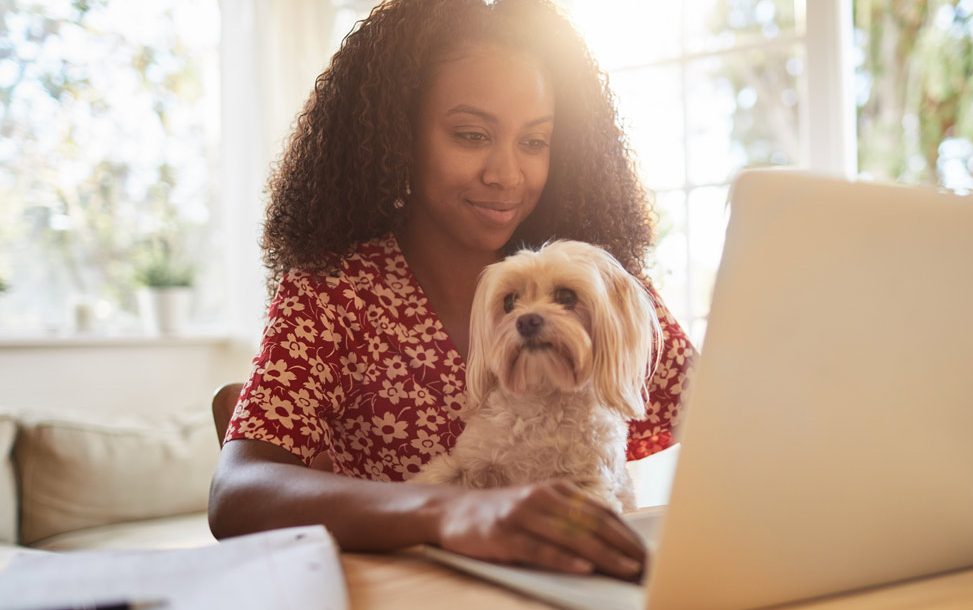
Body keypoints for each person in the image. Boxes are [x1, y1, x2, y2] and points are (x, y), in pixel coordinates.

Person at [208, 0, 696, 581]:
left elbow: (726, 419)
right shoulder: (334, 292)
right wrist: (452, 508)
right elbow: (237, 491)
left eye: (535, 142)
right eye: (471, 135)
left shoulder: (601, 288)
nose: (507, 174)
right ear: (397, 136)